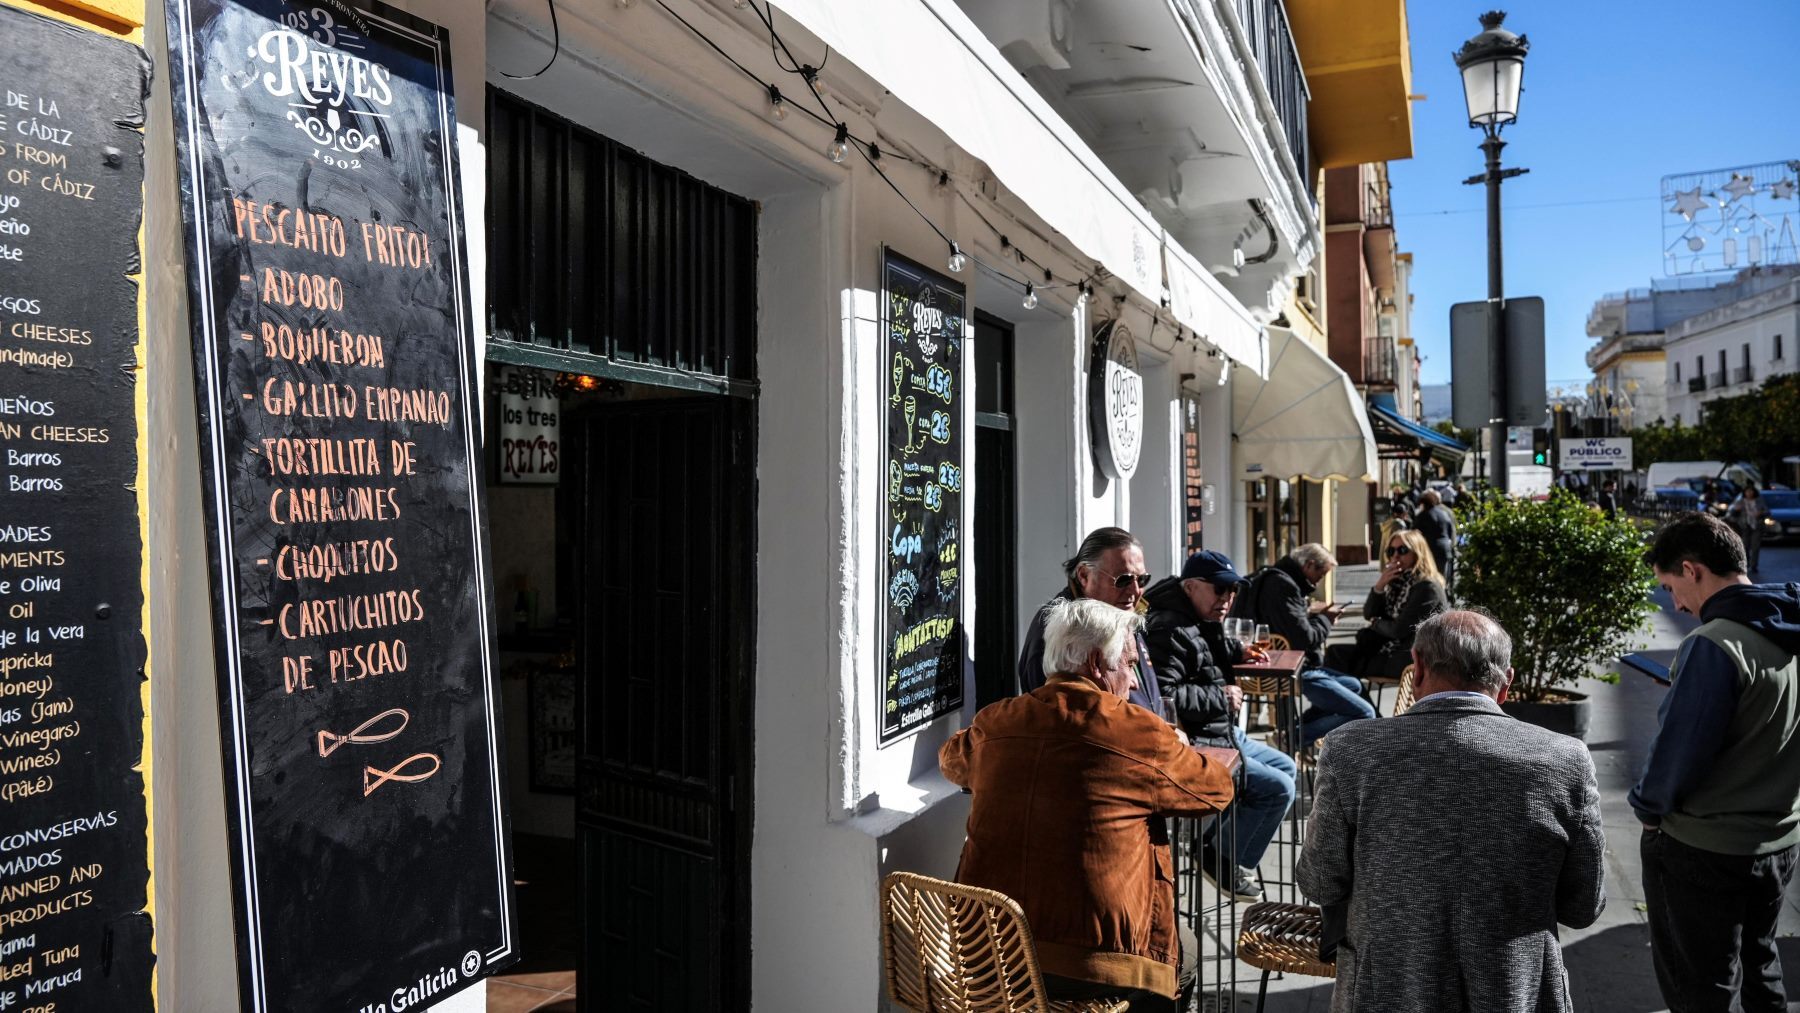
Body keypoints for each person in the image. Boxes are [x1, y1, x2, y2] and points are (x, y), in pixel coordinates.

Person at [1297, 610, 1606, 1012]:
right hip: (1516, 991)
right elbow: (1583, 906)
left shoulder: (1351, 750)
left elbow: (1320, 883)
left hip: (1385, 989)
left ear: (1419, 666)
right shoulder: (1565, 759)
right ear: (1505, 683)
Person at [942, 598, 1235, 1012]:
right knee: (1182, 953)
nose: (1134, 683)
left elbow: (951, 761)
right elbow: (1216, 789)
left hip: (986, 950)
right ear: (1098, 663)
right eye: (1130, 665)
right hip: (1090, 966)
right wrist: (1178, 743)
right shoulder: (1138, 732)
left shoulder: (996, 722)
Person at [1629, 513, 1800, 1013]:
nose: (1676, 603)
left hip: (1705, 848)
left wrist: (1647, 808)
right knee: (1761, 968)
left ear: (1692, 568)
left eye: (1670, 587)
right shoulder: (1788, 628)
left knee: (1701, 988)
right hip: (1778, 839)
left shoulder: (1714, 644)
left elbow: (1677, 760)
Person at [1144, 550, 1297, 902]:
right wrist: (1220, 697)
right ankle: (1220, 857)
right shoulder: (1170, 628)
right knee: (1278, 789)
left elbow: (1206, 651)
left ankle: (1219, 846)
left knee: (1286, 765)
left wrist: (1237, 651)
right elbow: (1164, 698)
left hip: (1222, 730)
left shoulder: (1196, 616)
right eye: (1220, 590)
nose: (1227, 599)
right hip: (1197, 740)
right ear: (1191, 587)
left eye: (1232, 591)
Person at [1236, 544, 1375, 747]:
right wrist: (1326, 619)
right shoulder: (1284, 586)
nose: (1319, 581)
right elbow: (1306, 639)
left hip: (1286, 664)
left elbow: (1288, 624)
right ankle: (1292, 738)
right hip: (1293, 669)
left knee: (1353, 685)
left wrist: (1312, 614)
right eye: (1321, 574)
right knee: (1365, 713)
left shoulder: (1279, 579)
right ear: (1309, 565)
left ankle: (1292, 733)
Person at [1016, 527, 1164, 717]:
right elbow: (1054, 719)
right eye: (1124, 579)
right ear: (1084, 575)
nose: (1135, 591)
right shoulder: (1060, 630)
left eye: (1142, 579)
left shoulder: (1120, 611)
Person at [1323, 529, 1448, 683]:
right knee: (1334, 653)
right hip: (1390, 649)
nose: (1395, 555)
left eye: (1402, 550)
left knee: (1340, 661)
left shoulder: (1426, 587)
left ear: (1417, 553)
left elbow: (1398, 629)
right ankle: (1358, 706)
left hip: (1410, 657)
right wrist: (1379, 586)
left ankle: (1360, 707)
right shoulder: (1398, 583)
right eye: (1391, 551)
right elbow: (1368, 613)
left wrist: (1376, 623)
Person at [1412, 488, 1457, 585]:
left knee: (1429, 577)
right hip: (1444, 549)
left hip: (1429, 550)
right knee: (1441, 577)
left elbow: (1414, 535)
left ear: (1423, 504)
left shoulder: (1422, 515)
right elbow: (1450, 531)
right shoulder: (1444, 514)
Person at [1727, 481, 1771, 573]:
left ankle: (1754, 565)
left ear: (1754, 492)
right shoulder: (1741, 501)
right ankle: (1746, 564)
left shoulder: (1759, 500)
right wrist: (1736, 510)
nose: (1749, 493)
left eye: (1751, 491)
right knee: (1744, 546)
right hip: (1744, 527)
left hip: (1757, 526)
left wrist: (1761, 513)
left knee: (1755, 547)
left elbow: (1768, 512)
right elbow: (1731, 513)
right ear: (1744, 492)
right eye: (1747, 491)